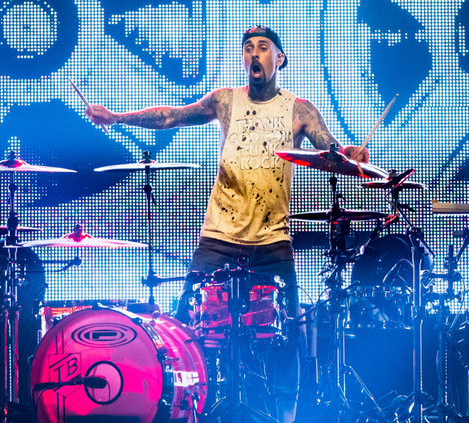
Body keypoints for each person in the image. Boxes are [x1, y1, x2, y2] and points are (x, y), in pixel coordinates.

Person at [86, 25, 369, 423]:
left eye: (263, 47)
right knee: (185, 322)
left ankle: (287, 416)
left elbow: (331, 151)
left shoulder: (299, 109)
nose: (254, 54)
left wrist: (350, 154)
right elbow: (172, 116)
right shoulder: (225, 100)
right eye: (248, 48)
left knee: (290, 330)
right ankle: (184, 408)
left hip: (271, 239)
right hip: (219, 237)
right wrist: (116, 118)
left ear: (279, 58)